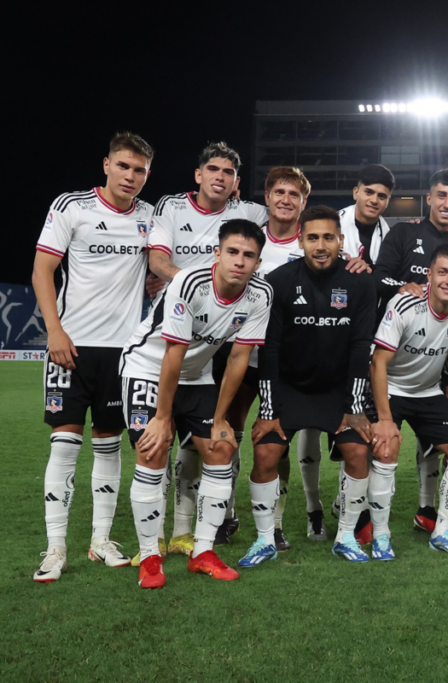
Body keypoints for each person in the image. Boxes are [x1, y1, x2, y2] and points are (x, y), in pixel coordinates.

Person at [120, 219, 272, 588]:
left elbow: (238, 359)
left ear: (257, 262)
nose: (239, 261)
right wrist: (162, 417)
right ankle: (151, 559)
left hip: (198, 375)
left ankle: (202, 551)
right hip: (148, 368)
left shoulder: (260, 295)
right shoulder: (190, 281)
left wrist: (221, 418)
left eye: (248, 255)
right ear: (217, 253)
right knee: (153, 449)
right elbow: (174, 352)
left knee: (222, 448)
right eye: (232, 252)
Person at [32, 132, 155, 582]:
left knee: (108, 445)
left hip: (123, 354)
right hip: (73, 346)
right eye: (124, 166)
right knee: (64, 446)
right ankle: (55, 547)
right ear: (106, 164)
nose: (131, 176)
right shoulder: (73, 207)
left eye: (140, 170)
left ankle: (100, 540)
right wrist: (54, 331)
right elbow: (42, 268)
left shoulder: (148, 217)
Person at [146, 142, 268, 560]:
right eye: (212, 169)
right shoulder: (170, 207)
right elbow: (158, 259)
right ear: (198, 174)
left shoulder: (252, 214)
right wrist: (201, 289)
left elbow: (295, 221)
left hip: (223, 337)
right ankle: (153, 538)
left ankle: (196, 524)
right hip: (174, 331)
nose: (219, 176)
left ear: (236, 183)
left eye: (229, 172)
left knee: (214, 435)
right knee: (157, 439)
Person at [239, 205, 378, 566]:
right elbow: (270, 350)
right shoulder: (280, 281)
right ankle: (265, 539)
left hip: (337, 390)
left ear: (341, 241)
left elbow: (361, 347)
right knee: (266, 452)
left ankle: (346, 536)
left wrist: (355, 407)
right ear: (300, 240)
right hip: (292, 389)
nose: (320, 245)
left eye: (328, 237)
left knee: (358, 451)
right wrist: (268, 411)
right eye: (313, 237)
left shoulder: (361, 283)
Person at [372, 169, 448, 533]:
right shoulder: (405, 233)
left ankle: (429, 510)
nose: (447, 203)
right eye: (441, 195)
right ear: (429, 198)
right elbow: (378, 277)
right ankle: (359, 512)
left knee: (437, 440)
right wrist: (404, 286)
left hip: (438, 359)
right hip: (392, 347)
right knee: (377, 442)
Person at [222, 166, 311, 553]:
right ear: (268, 197)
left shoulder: (310, 246)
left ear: (303, 202)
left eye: (294, 194)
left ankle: (274, 524)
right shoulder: (250, 241)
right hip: (241, 355)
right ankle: (224, 514)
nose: (286, 200)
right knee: (229, 433)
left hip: (288, 364)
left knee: (277, 443)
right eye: (279, 192)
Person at [339, 164, 394, 267]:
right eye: (369, 192)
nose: (374, 200)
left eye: (381, 196)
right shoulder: (332, 225)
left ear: (388, 201)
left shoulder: (392, 236)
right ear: (356, 193)